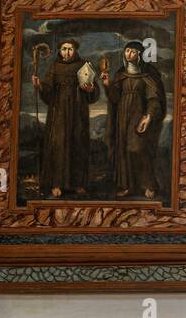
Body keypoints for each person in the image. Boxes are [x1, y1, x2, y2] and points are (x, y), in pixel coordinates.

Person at [32, 38, 97, 197]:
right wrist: (39, 85)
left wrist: (90, 89)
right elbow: (48, 92)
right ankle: (56, 183)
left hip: (78, 112)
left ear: (75, 50)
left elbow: (94, 94)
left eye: (70, 49)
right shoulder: (54, 67)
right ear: (60, 51)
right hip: (59, 112)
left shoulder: (83, 66)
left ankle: (78, 183)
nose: (67, 52)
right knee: (58, 145)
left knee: (78, 144)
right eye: (64, 49)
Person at [100, 40, 165, 199]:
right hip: (122, 117)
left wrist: (148, 116)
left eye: (133, 51)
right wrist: (108, 85)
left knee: (138, 149)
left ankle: (149, 184)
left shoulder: (148, 75)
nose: (129, 54)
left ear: (140, 55)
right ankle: (129, 186)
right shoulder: (120, 74)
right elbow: (115, 98)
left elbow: (154, 99)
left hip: (139, 116)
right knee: (123, 151)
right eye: (127, 51)